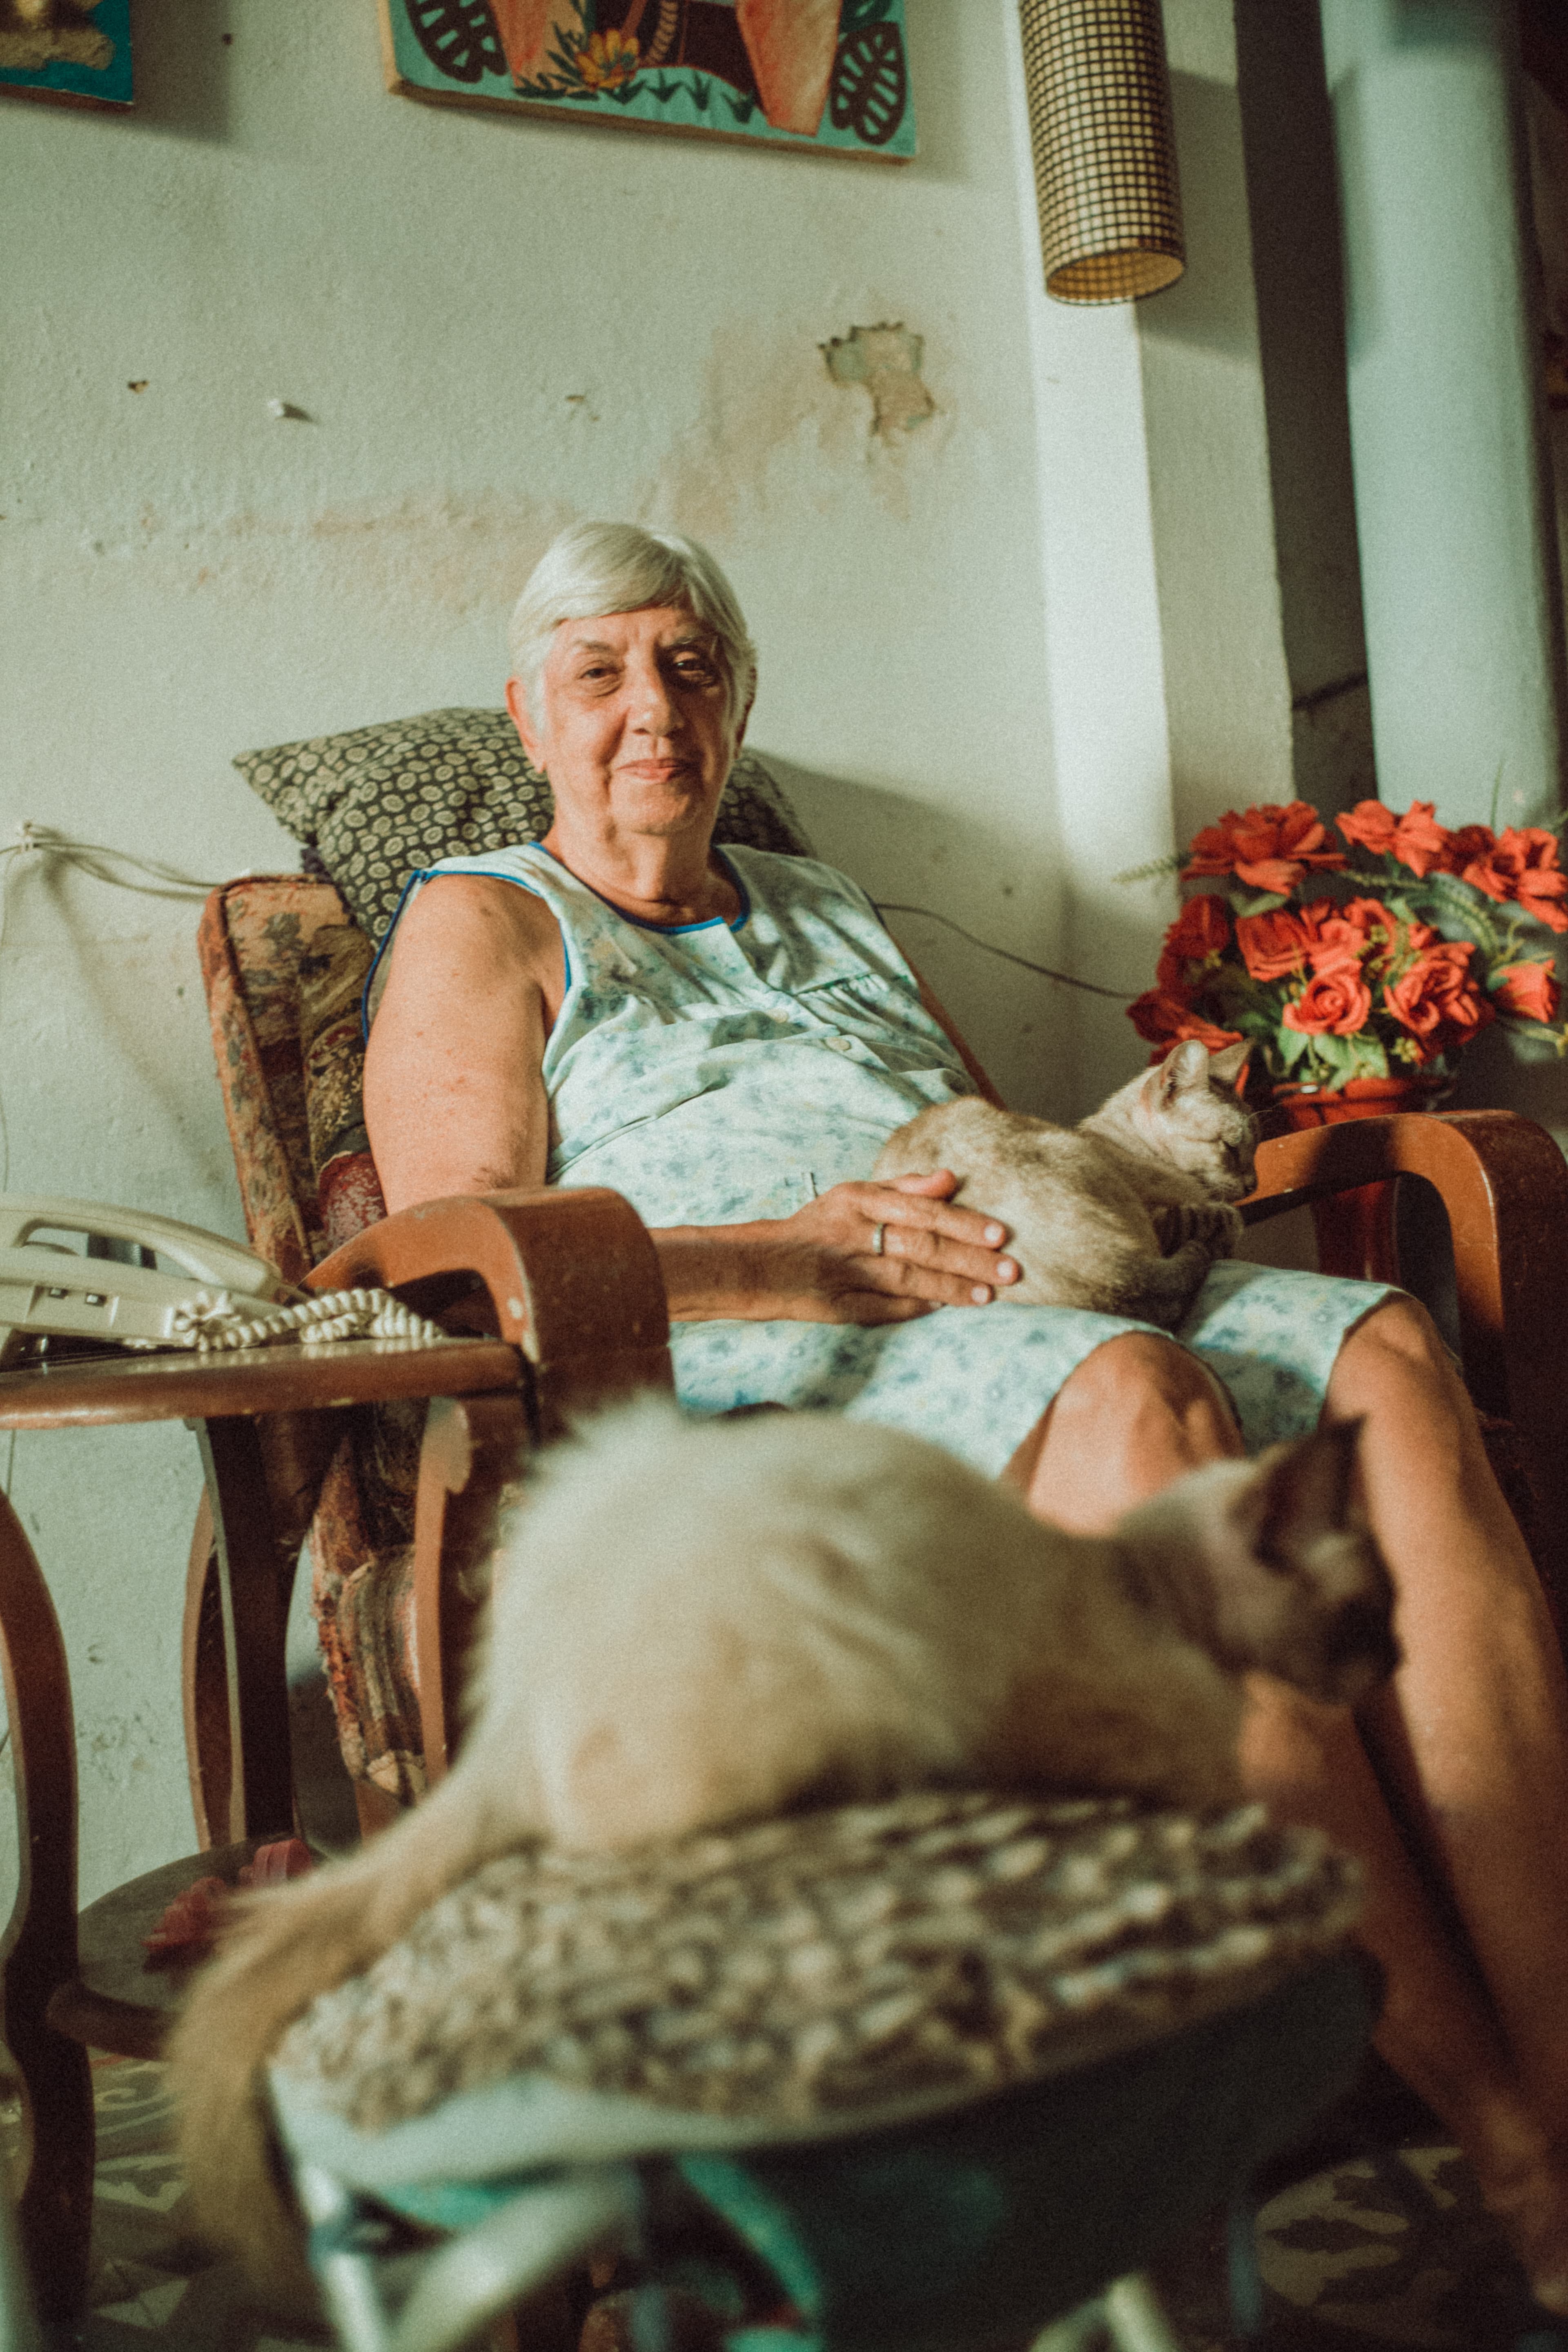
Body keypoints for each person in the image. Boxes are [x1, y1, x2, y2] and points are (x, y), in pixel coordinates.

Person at [363, 521, 1568, 2310]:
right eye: (600, 671)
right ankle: (1510, 2139)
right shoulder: (486, 917)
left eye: (691, 664)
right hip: (772, 1357)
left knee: (1385, 1355)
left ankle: (1566, 2067)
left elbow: (1011, 1145)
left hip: (1020, 1296)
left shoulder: (829, 903)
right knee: (1138, 1398)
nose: (652, 707)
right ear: (529, 716)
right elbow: (464, 1260)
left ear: (740, 701)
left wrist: (1148, 1144)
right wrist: (791, 1256)